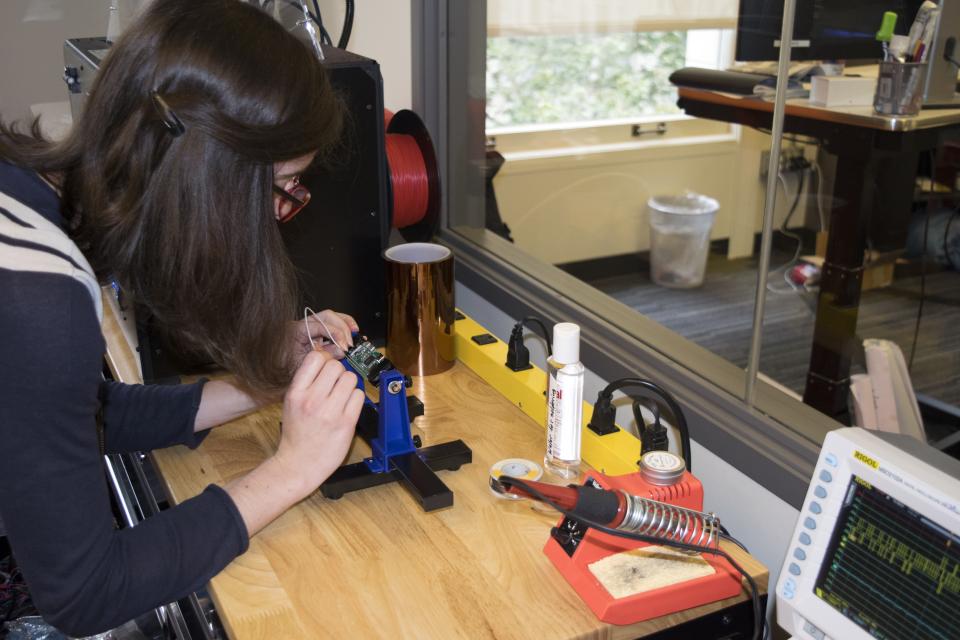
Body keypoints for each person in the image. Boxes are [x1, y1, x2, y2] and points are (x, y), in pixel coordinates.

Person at [0, 0, 365, 635]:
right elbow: (87, 594)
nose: (283, 219)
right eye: (285, 190)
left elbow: (67, 419)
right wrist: (293, 470)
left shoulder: (21, 198)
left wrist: (259, 380)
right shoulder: (40, 299)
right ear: (211, 181)